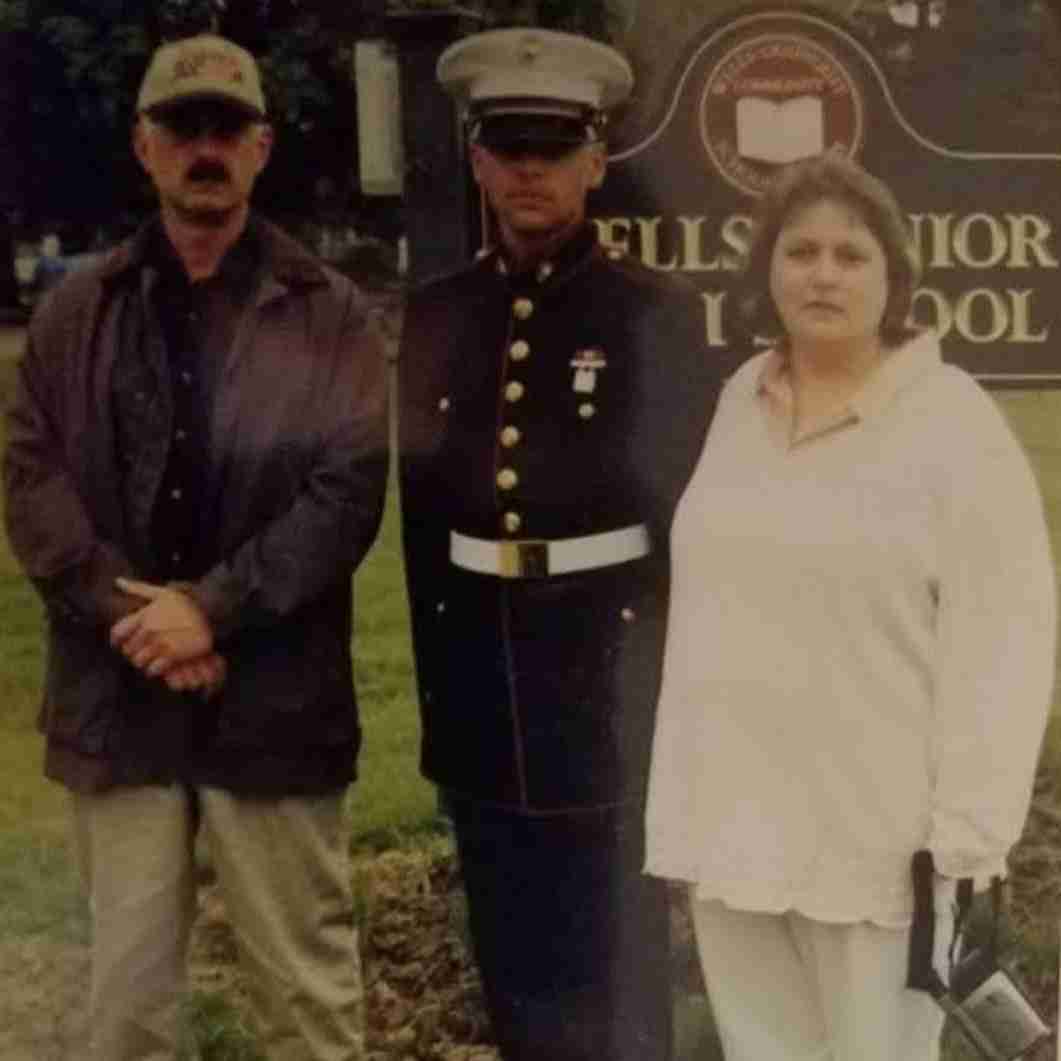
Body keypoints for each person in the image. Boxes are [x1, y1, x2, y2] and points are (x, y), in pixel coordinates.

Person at [3, 33, 387, 1061]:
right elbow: (30, 480)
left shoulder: (331, 313)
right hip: (117, 702)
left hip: (274, 701)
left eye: (225, 127)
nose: (203, 148)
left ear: (261, 145)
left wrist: (209, 609)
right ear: (144, 145)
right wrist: (132, 614)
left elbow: (344, 495)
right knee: (124, 1011)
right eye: (183, 128)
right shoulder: (73, 310)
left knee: (304, 1005)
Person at [644, 151, 1057, 1061]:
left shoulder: (953, 425)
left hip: (880, 846)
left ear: (891, 277)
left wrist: (968, 843)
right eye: (799, 252)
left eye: (849, 254)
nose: (822, 273)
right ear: (766, 271)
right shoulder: (736, 403)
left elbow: (1005, 643)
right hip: (737, 822)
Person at [397, 27, 723, 1061]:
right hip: (483, 699)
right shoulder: (437, 315)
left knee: (621, 980)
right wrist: (442, 711)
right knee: (514, 976)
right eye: (508, 146)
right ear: (477, 159)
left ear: (593, 159)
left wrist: (676, 702)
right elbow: (421, 528)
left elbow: (689, 529)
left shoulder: (653, 316)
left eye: (551, 146)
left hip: (609, 687)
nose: (529, 169)